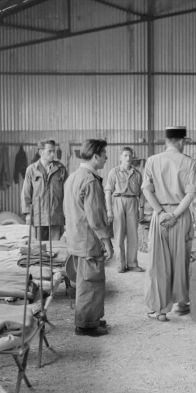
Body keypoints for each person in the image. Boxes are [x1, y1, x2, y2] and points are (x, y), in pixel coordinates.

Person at [142, 126, 196, 321]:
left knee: (158, 262)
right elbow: (190, 194)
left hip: (160, 215)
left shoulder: (152, 161)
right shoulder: (190, 163)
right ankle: (181, 303)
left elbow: (147, 190)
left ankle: (160, 310)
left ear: (166, 141)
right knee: (181, 260)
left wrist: (161, 212)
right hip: (180, 215)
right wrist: (174, 214)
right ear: (182, 141)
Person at [63, 139, 114, 337]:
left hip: (76, 238)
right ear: (95, 157)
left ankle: (91, 319)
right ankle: (86, 325)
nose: (106, 158)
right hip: (88, 241)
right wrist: (107, 242)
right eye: (104, 154)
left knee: (86, 282)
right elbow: (96, 219)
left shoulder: (73, 177)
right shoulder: (91, 181)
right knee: (90, 283)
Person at [105, 147, 144, 273]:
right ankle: (121, 264)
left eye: (130, 155)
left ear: (133, 157)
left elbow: (142, 193)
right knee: (119, 234)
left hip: (133, 201)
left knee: (133, 235)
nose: (128, 158)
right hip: (118, 202)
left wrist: (142, 208)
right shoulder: (114, 172)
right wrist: (109, 210)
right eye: (125, 155)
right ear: (120, 157)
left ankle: (132, 263)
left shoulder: (137, 174)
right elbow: (108, 191)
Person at [21, 139, 67, 241]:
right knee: (39, 250)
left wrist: (67, 214)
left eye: (53, 151)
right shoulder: (31, 170)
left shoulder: (61, 169)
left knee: (56, 249)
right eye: (49, 151)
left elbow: (67, 194)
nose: (53, 154)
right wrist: (28, 214)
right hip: (38, 218)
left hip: (56, 217)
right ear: (41, 152)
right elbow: (26, 193)